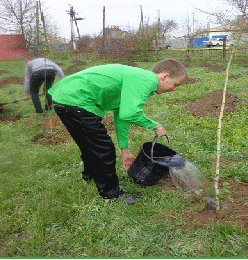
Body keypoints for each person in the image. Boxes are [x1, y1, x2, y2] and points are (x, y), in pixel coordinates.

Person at [47, 60, 189, 205]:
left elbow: (122, 116)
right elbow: (130, 114)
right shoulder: (145, 80)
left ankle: (90, 175)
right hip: (77, 99)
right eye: (175, 84)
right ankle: (111, 194)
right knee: (104, 148)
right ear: (165, 76)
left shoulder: (138, 78)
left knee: (88, 143)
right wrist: (156, 126)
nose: (174, 90)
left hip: (64, 97)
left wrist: (125, 151)